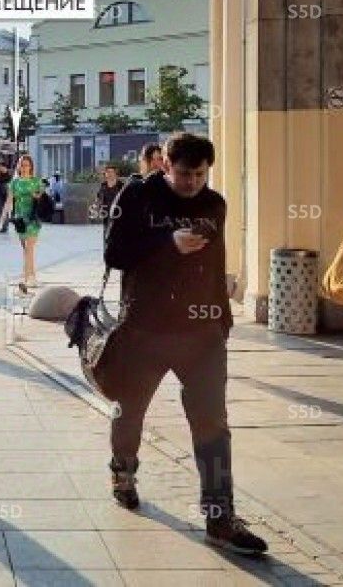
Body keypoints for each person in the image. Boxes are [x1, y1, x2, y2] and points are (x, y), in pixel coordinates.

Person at [103, 132, 267, 555]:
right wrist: (167, 243)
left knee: (212, 422)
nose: (191, 182)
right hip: (144, 328)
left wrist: (223, 320)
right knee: (130, 410)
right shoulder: (137, 197)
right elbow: (114, 253)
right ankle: (123, 472)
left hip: (201, 333)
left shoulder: (214, 204)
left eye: (199, 174)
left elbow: (215, 263)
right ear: (164, 164)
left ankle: (219, 518)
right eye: (183, 174)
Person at [0, 154, 42, 289]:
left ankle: (28, 278)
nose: (24, 168)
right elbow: (9, 201)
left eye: (27, 165)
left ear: (31, 167)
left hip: (32, 218)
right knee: (25, 249)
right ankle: (30, 275)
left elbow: (42, 199)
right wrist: (2, 218)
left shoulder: (36, 181)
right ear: (19, 167)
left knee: (30, 248)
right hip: (20, 218)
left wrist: (36, 196)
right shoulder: (15, 183)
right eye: (22, 165)